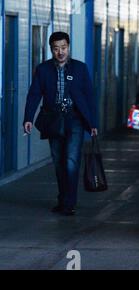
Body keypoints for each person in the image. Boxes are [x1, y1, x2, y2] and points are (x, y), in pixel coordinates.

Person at [23, 32, 98, 216]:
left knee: (71, 162)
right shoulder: (43, 69)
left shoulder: (80, 68)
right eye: (56, 48)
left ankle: (69, 203)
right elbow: (34, 94)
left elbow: (89, 96)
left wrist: (93, 123)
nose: (60, 52)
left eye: (63, 48)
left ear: (68, 47)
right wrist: (28, 118)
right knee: (58, 162)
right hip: (53, 119)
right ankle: (63, 198)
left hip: (75, 119)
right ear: (51, 49)